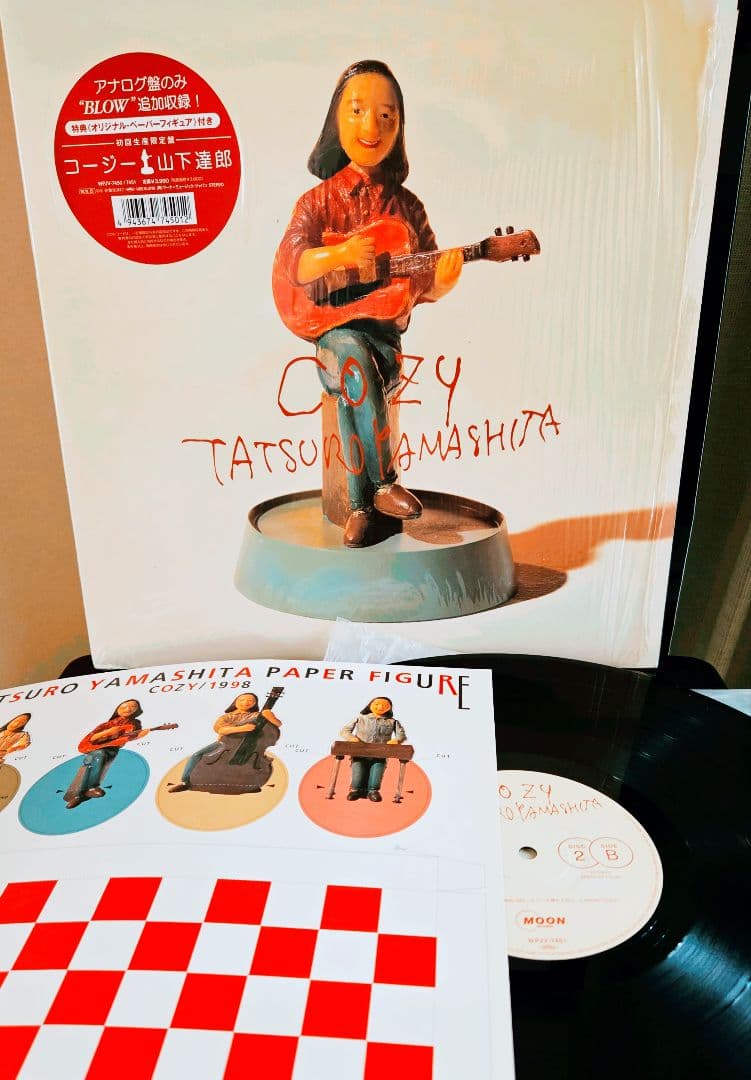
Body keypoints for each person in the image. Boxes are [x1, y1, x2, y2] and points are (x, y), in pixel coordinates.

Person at [274, 59, 462, 547]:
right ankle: (380, 486)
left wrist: (442, 281)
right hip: (330, 336)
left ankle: (362, 505)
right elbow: (292, 260)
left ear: (399, 128)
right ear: (336, 120)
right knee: (351, 359)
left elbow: (418, 283)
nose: (371, 127)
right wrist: (337, 255)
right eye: (357, 111)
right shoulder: (317, 202)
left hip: (384, 341)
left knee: (361, 367)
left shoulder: (408, 208)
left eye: (386, 116)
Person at [168, 692, 281, 794]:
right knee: (196, 755)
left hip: (252, 747)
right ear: (235, 702)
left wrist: (271, 718)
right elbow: (221, 729)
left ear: (255, 703)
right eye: (242, 700)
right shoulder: (227, 716)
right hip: (225, 744)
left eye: (250, 700)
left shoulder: (258, 715)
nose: (246, 702)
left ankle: (251, 784)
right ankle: (185, 782)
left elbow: (277, 724)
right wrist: (242, 728)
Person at [67, 699, 147, 809]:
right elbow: (91, 738)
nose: (128, 709)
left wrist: (141, 734)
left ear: (137, 710)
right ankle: (90, 789)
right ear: (117, 709)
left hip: (111, 749)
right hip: (97, 749)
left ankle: (79, 795)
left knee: (91, 761)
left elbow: (130, 737)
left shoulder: (135, 723)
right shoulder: (106, 725)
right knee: (97, 755)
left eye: (133, 707)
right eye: (123, 707)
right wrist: (108, 732)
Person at [340, 696, 406, 802]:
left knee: (377, 771)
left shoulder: (392, 722)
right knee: (358, 770)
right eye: (377, 704)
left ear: (389, 708)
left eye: (384, 705)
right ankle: (356, 790)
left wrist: (396, 741)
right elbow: (345, 731)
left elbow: (401, 735)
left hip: (380, 753)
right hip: (359, 751)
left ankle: (373, 791)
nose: (380, 707)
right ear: (370, 705)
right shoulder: (361, 718)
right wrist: (352, 739)